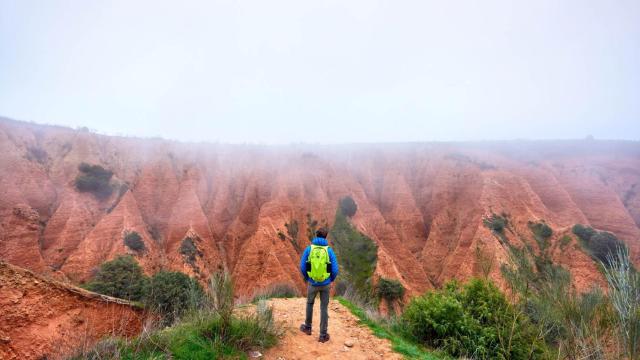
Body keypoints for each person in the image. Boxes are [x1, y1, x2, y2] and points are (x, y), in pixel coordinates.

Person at [299, 227, 339, 343]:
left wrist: (308, 277)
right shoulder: (329, 251)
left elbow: (302, 266)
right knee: (323, 307)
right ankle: (322, 335)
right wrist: (330, 279)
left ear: (316, 236)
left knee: (310, 303)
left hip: (312, 282)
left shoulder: (309, 249)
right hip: (325, 283)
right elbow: (335, 269)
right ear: (325, 237)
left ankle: (307, 327)